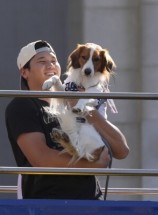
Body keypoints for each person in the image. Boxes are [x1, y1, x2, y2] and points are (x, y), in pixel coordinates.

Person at [5, 40, 129, 199]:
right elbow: (41, 158)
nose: (50, 65)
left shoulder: (74, 101)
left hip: (90, 203)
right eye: (42, 61)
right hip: (47, 202)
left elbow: (121, 150)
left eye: (54, 61)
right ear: (24, 72)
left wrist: (86, 108)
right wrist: (93, 165)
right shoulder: (23, 105)